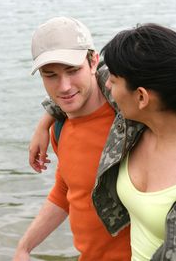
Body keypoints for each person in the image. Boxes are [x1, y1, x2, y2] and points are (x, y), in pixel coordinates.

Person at [33, 23, 176, 260]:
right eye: (50, 75)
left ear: (141, 97)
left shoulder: (128, 123)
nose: (107, 83)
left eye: (114, 80)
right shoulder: (131, 128)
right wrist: (46, 119)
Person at [13, 17, 131, 261]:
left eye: (72, 70)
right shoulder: (59, 127)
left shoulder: (133, 116)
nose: (64, 86)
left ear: (93, 61)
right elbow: (66, 190)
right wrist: (24, 248)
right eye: (50, 75)